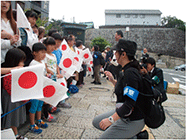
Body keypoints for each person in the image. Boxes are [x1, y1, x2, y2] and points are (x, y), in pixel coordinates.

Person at [92, 39, 146, 139]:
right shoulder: (125, 70)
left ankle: (135, 137)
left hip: (132, 119)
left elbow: (130, 104)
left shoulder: (131, 73)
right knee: (97, 122)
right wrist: (113, 80)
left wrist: (112, 119)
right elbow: (126, 89)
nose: (114, 54)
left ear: (123, 54)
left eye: (116, 52)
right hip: (124, 113)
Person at [1, 48, 27, 139]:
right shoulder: (9, 74)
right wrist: (23, 98)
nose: (23, 64)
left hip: (16, 98)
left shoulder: (12, 71)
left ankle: (14, 135)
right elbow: (10, 89)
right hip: (11, 99)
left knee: (13, 119)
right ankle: (11, 136)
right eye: (21, 62)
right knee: (10, 119)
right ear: (14, 61)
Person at [28, 43, 48, 134]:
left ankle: (39, 120)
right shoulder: (33, 63)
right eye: (41, 52)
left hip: (42, 88)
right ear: (34, 53)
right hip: (35, 89)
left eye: (45, 52)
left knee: (40, 105)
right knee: (34, 106)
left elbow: (43, 73)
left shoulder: (42, 62)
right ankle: (32, 124)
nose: (44, 54)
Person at [51, 33, 72, 108]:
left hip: (59, 71)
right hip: (53, 72)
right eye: (57, 42)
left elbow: (60, 62)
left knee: (62, 85)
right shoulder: (51, 52)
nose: (58, 44)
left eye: (60, 42)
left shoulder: (59, 51)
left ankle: (61, 101)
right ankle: (55, 104)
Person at [43, 37, 62, 114]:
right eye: (50, 45)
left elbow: (56, 65)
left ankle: (51, 108)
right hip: (48, 77)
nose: (52, 47)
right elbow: (45, 66)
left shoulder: (53, 55)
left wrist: (58, 73)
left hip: (54, 77)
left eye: (53, 45)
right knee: (47, 95)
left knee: (52, 93)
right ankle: (45, 112)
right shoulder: (44, 55)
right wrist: (51, 72)